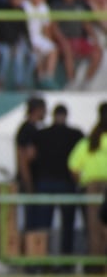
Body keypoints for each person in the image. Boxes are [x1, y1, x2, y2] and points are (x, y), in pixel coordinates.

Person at [33, 105, 84, 257]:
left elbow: (33, 158)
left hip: (45, 182)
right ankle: (65, 259)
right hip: (66, 183)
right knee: (67, 225)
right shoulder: (75, 135)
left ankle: (43, 256)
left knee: (43, 224)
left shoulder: (41, 135)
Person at [67, 102, 107, 267]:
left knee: (94, 226)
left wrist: (81, 183)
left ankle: (95, 263)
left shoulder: (90, 141)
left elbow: (73, 166)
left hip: (92, 187)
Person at [16, 96, 48, 232]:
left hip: (32, 180)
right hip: (30, 181)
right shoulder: (28, 131)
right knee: (31, 221)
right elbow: (23, 159)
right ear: (37, 110)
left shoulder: (31, 129)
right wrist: (28, 183)